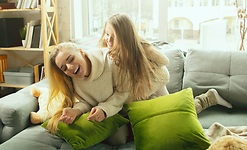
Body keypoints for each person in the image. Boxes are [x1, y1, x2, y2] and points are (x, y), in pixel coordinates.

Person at [98, 13, 232, 113]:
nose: (109, 39)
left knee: (179, 114)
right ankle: (209, 98)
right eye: (107, 34)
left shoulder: (141, 47)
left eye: (114, 36)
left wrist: (146, 65)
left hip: (155, 87)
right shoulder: (108, 52)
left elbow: (164, 60)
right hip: (140, 95)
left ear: (125, 37)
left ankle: (209, 98)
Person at [45, 42, 130, 145]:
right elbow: (85, 101)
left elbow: (124, 91)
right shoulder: (73, 79)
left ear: (81, 52)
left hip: (130, 106)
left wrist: (104, 109)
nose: (70, 67)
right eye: (64, 68)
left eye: (71, 59)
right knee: (117, 139)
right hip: (112, 116)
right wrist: (76, 111)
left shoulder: (111, 60)